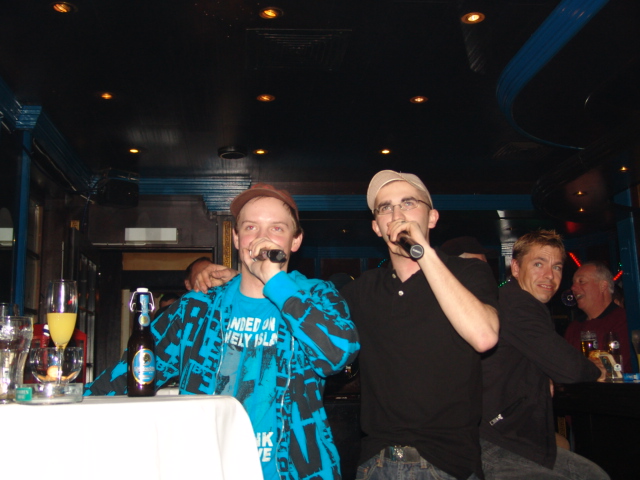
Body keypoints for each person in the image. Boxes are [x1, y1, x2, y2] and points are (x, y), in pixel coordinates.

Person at [85, 183, 360, 480]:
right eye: (251, 227)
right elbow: (128, 375)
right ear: (237, 238)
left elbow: (338, 355)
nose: (262, 238)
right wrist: (69, 406)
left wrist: (276, 284)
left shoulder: (318, 296)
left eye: (277, 228)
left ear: (296, 241)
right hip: (210, 469)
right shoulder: (196, 309)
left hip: (296, 472)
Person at [340, 170, 500, 480]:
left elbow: (484, 337)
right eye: (385, 207)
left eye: (408, 203)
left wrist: (422, 252)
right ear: (376, 226)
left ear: (432, 217)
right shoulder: (361, 291)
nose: (397, 214)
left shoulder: (467, 273)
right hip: (376, 463)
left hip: (446, 464)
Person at [479, 230, 609, 479]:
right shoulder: (517, 305)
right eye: (538, 264)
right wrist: (596, 369)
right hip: (496, 441)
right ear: (516, 268)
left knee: (593, 474)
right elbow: (569, 368)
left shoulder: (517, 302)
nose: (550, 275)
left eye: (557, 267)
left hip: (513, 438)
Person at [564, 261, 632, 373]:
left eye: (581, 281)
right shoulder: (573, 328)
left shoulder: (624, 320)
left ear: (603, 286)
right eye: (573, 283)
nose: (573, 288)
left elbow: (615, 369)